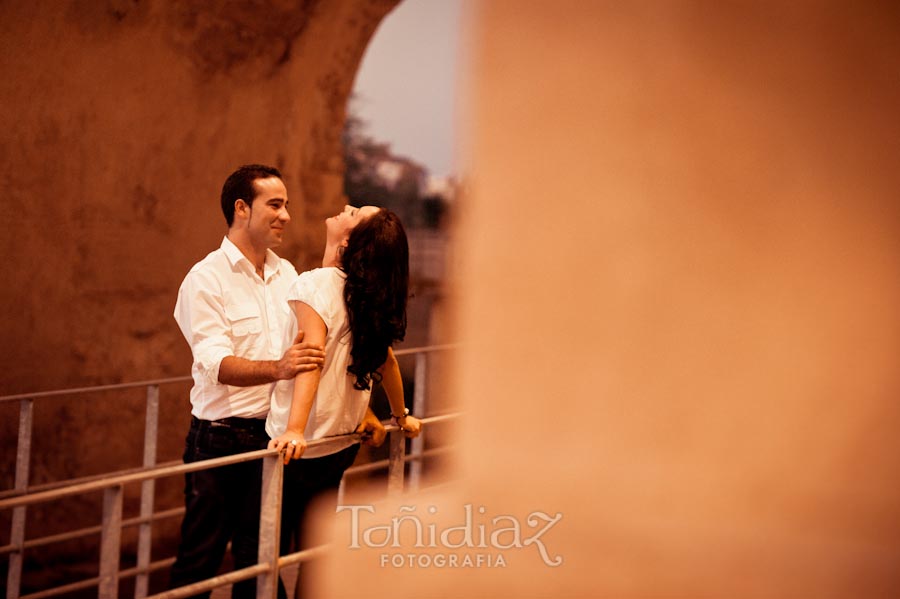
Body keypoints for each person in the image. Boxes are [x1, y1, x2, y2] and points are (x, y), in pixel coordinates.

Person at [169, 164, 329, 599]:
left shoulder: (289, 275)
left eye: (287, 205)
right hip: (219, 440)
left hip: (271, 438)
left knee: (260, 560)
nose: (286, 215)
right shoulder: (205, 279)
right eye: (274, 205)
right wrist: (280, 367)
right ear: (242, 208)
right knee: (198, 563)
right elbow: (215, 364)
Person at [266, 205, 422, 595]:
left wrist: (295, 430)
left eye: (354, 213)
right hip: (340, 444)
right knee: (313, 550)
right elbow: (385, 361)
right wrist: (400, 415)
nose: (346, 207)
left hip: (301, 450)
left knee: (264, 555)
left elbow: (311, 360)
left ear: (351, 241)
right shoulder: (367, 294)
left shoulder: (315, 284)